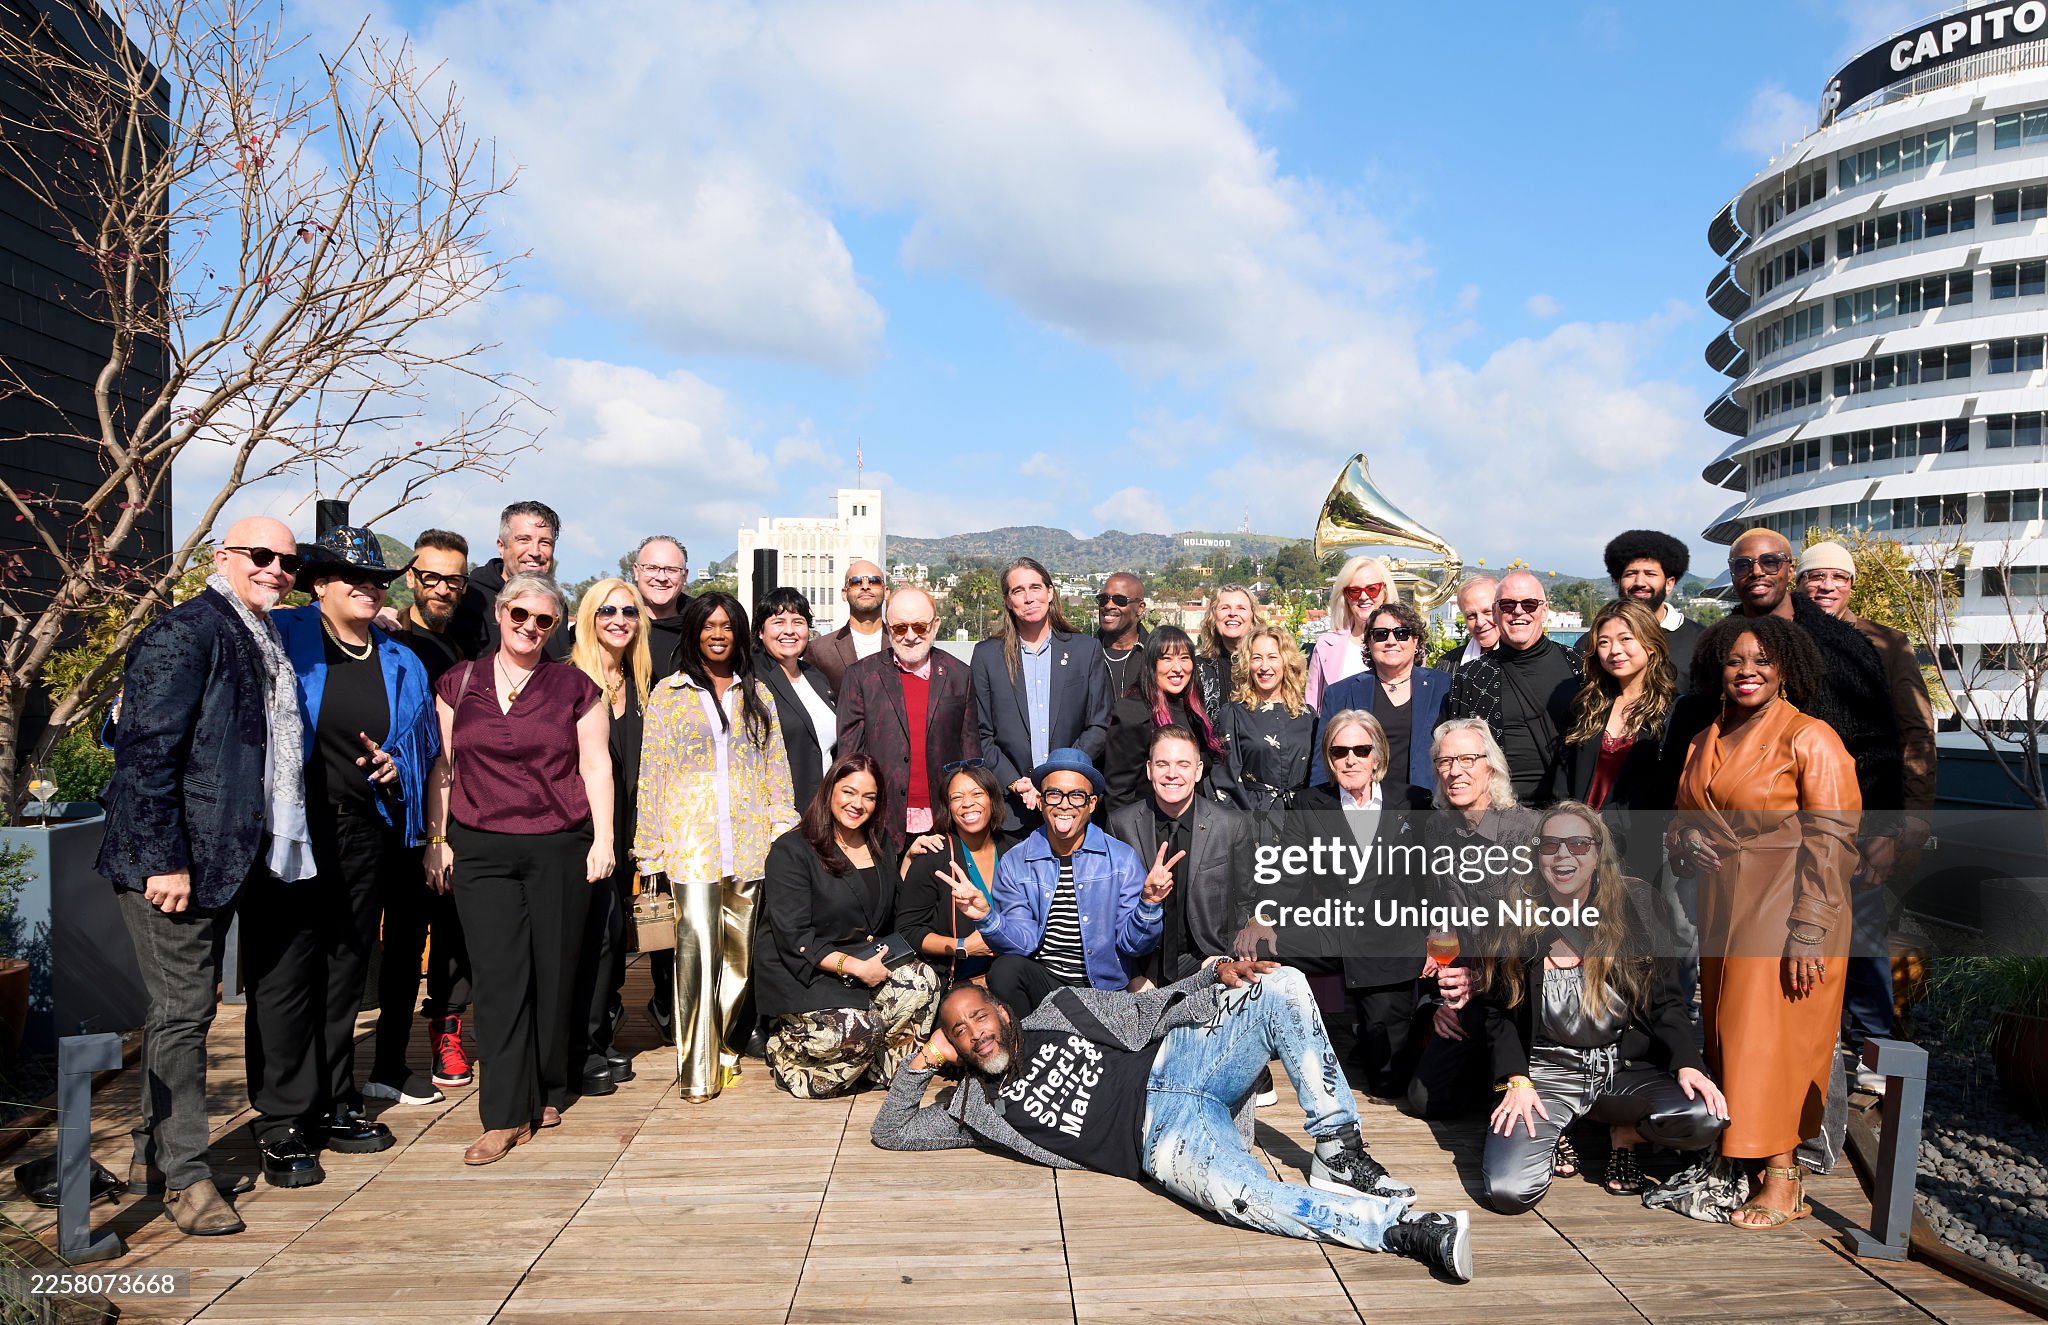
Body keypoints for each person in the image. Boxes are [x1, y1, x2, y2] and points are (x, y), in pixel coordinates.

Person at [870, 962, 1473, 1282]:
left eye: (979, 1016)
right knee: (1245, 1196)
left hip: (1182, 1056)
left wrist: (1212, 977)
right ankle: (1406, 1229)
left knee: (1282, 982)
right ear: (952, 1045)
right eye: (958, 1032)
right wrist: (922, 1063)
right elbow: (891, 1130)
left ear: (1001, 1011)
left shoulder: (1057, 1010)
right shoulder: (973, 1110)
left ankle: (1337, 1148)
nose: (975, 1033)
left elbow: (1142, 1009)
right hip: (1166, 1141)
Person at [98, 515, 306, 1236]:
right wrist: (165, 859)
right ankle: (186, 1179)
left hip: (225, 856)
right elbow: (145, 751)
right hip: (172, 860)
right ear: (222, 557)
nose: (276, 568)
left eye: (286, 559)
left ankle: (159, 1151)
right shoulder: (189, 629)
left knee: (183, 1011)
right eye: (261, 555)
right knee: (184, 1012)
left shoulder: (256, 631)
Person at [248, 527, 435, 1184]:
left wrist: (396, 764)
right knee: (285, 973)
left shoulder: (402, 660)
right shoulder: (281, 635)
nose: (369, 588)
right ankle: (281, 1117)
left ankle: (332, 1097)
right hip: (290, 828)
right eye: (352, 577)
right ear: (319, 583)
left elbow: (424, 747)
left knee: (343, 971)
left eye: (379, 579)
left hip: (362, 832)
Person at [1671, 613, 1860, 1230]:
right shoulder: (1704, 738)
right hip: (1723, 903)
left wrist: (1810, 927)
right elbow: (1680, 821)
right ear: (1716, 669)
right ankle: (1741, 1156)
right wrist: (1686, 843)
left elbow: (1834, 840)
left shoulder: (1812, 738)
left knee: (1772, 1040)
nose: (1748, 671)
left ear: (1786, 669)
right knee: (1728, 1033)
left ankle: (1783, 1177)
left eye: (1762, 660)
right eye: (1735, 660)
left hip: (1790, 904)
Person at [423, 573, 613, 1165]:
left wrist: (603, 840)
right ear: (501, 613)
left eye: (544, 620)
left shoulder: (574, 686)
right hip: (482, 847)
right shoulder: (460, 682)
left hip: (559, 843)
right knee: (501, 978)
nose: (530, 627)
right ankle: (504, 1115)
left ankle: (549, 1087)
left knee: (554, 972)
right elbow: (442, 767)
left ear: (556, 627)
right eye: (520, 616)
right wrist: (439, 837)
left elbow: (596, 766)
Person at [1475, 804, 1728, 1213]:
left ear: (1598, 855)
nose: (1563, 857)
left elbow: (1665, 1000)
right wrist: (1514, 1079)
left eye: (1578, 844)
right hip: (1547, 1073)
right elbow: (1498, 1011)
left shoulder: (1638, 905)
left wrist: (1688, 1062)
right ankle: (1556, 1128)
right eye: (1550, 845)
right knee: (1509, 1191)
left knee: (1705, 1117)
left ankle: (1624, 1134)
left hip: (1619, 1068)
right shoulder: (1512, 914)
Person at [1729, 529, 1905, 1116]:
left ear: (1787, 570)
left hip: (1840, 829)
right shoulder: (1726, 642)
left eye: (1771, 561)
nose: (1758, 571)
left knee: (1859, 943)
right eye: (1745, 563)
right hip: (1758, 848)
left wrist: (1888, 828)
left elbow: (1886, 739)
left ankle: (1874, 1057)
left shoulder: (1845, 644)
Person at [636, 591, 797, 1101]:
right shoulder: (669, 693)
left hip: (749, 846)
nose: (718, 634)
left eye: (727, 625)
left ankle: (724, 1049)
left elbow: (777, 769)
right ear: (694, 633)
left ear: (740, 633)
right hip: (692, 847)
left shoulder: (757, 693)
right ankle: (697, 1073)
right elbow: (652, 775)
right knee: (695, 957)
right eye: (709, 625)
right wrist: (651, 849)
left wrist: (781, 830)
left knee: (739, 961)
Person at [1797, 539, 1937, 1087]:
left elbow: (1915, 734)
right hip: (1793, 818)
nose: (1826, 585)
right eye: (1815, 576)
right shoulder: (1783, 640)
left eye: (1838, 577)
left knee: (1864, 932)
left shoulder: (1885, 644)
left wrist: (1907, 821)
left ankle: (1874, 1045)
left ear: (1852, 585)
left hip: (1864, 813)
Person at [1255, 711, 1427, 1099]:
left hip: (1389, 943)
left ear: (1377, 756)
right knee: (1254, 948)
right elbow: (1288, 872)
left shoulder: (1414, 801)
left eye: (1361, 750)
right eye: (1339, 751)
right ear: (1329, 759)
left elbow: (1428, 878)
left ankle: (1379, 1026)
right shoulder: (1310, 803)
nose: (1351, 759)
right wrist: (1262, 917)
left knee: (1387, 1083)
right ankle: (1256, 1057)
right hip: (1331, 930)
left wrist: (1435, 932)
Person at [757, 753, 943, 1098]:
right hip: (809, 970)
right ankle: (788, 1054)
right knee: (857, 1028)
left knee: (923, 983)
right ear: (829, 790)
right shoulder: (791, 850)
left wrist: (908, 864)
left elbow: (881, 910)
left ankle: (877, 1067)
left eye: (869, 797)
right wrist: (855, 967)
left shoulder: (879, 842)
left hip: (860, 960)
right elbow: (794, 936)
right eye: (849, 792)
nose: (858, 804)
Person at [380, 530, 478, 1093]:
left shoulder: (465, 644)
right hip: (398, 816)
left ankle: (447, 1034)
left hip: (456, 808)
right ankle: (388, 1061)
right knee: (401, 940)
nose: (442, 588)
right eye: (432, 577)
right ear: (412, 577)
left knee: (453, 933)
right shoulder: (387, 636)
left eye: (453, 579)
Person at [1403, 719, 1540, 1120]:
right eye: (1445, 761)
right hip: (1473, 988)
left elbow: (1537, 940)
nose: (1454, 771)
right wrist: (1443, 995)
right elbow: (1441, 918)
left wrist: (1480, 980)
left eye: (1466, 759)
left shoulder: (1529, 832)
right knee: (1427, 1100)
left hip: (1523, 996)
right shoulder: (1439, 831)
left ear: (1491, 768)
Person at [958, 747, 1162, 1012]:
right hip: (1047, 984)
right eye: (1054, 794)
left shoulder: (1121, 859)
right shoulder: (1016, 862)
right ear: (1041, 801)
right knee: (1004, 971)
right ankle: (1028, 1043)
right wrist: (987, 918)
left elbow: (1133, 945)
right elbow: (1023, 942)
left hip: (1103, 989)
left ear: (1091, 803)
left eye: (1076, 796)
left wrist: (1149, 905)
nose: (1064, 804)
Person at [566, 578, 654, 1097]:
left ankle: (595, 1038)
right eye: (607, 611)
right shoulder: (565, 680)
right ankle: (577, 1048)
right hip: (577, 833)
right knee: (586, 942)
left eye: (628, 611)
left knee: (611, 942)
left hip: (625, 838)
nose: (618, 619)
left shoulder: (644, 687)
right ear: (588, 618)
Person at [836, 585, 977, 855]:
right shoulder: (862, 676)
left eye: (919, 627)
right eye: (900, 628)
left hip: (943, 822)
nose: (910, 636)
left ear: (935, 625)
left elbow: (969, 752)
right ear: (888, 628)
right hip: (880, 824)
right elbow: (850, 755)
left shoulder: (960, 675)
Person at [1108, 726, 1256, 984]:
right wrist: (1133, 975)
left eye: (1183, 764)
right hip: (1143, 969)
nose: (1172, 774)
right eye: (1162, 764)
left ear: (1198, 771)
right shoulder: (1121, 825)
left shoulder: (1230, 825)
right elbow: (1109, 913)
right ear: (1148, 769)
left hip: (1206, 960)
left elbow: (1248, 903)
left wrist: (1224, 959)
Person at [971, 557, 1111, 827]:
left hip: (1072, 804)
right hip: (1012, 810)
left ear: (1050, 593)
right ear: (1008, 601)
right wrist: (1016, 784)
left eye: (1035, 588)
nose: (1028, 598)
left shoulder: (1085, 650)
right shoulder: (987, 656)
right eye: (1018, 591)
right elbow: (981, 733)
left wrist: (1059, 776)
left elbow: (1098, 724)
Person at [1565, 601, 1688, 876]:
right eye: (1604, 642)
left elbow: (1667, 790)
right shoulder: (1590, 704)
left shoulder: (1674, 711)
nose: (1614, 651)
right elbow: (1568, 773)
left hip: (1638, 852)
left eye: (1625, 639)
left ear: (1651, 643)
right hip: (1579, 847)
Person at [1441, 569, 1581, 806]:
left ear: (1544, 610)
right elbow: (1452, 753)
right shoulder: (1471, 677)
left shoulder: (1579, 666)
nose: (1518, 611)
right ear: (1496, 612)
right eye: (1507, 605)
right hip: (1500, 816)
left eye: (1529, 604)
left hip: (1569, 814)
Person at [1317, 600, 1448, 808]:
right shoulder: (1340, 693)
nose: (1391, 641)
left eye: (1402, 633)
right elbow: (1322, 760)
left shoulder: (1444, 687)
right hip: (1363, 805)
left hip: (1428, 806)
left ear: (1416, 641)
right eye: (1381, 634)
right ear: (1369, 643)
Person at [896, 762, 1017, 982]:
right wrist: (962, 947)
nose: (967, 803)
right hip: (954, 982)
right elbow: (907, 932)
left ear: (992, 799)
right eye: (956, 797)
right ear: (948, 808)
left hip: (1009, 976)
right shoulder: (934, 855)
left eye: (977, 794)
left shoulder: (1015, 851)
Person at [1102, 625, 1221, 811]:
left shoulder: (1194, 711)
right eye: (1166, 659)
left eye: (1184, 658)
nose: (1177, 668)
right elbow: (1119, 794)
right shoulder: (1132, 713)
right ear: (1151, 664)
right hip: (1147, 828)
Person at [1215, 625, 1317, 838]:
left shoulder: (1308, 716)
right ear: (1247, 664)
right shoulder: (1232, 714)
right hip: (1252, 823)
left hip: (1301, 823)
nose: (1264, 666)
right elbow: (1225, 780)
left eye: (1272, 657)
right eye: (1256, 658)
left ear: (1286, 662)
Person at [454, 500, 570, 660]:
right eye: (524, 540)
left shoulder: (557, 606)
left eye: (545, 543)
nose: (535, 552)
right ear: (501, 546)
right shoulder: (469, 598)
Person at [756, 587, 837, 814]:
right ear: (761, 631)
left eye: (798, 622)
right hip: (780, 813)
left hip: (823, 811)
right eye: (779, 622)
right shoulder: (752, 679)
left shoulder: (815, 676)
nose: (789, 631)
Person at [1600, 530, 1703, 681]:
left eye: (1650, 574)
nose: (1639, 582)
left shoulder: (1700, 642)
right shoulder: (1595, 642)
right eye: (1631, 574)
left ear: (1669, 584)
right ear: (1618, 582)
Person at [1306, 555, 1400, 706]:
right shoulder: (1326, 646)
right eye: (1354, 591)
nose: (1363, 597)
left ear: (1385, 592)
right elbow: (1312, 707)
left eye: (1372, 589)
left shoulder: (1406, 642)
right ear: (1346, 597)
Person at [804, 559, 887, 693]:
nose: (865, 587)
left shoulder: (902, 643)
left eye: (873, 581)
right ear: (844, 593)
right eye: (856, 582)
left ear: (886, 591)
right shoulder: (820, 651)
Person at [631, 535, 692, 677]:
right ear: (636, 571)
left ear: (685, 576)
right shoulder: (614, 625)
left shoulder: (702, 625)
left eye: (671, 570)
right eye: (652, 568)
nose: (661, 578)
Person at [1194, 583, 1257, 718]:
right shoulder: (1197, 668)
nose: (1233, 613)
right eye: (1224, 608)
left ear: (1253, 618)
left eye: (1241, 608)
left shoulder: (1266, 667)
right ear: (1213, 617)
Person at [1096, 571, 1151, 700]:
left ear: (1140, 608)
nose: (1108, 606)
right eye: (1103, 599)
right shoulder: (1085, 654)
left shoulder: (1155, 656)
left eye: (1119, 600)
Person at [1442, 576, 1499, 679]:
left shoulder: (1522, 661)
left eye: (1488, 612)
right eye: (1471, 616)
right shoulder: (1446, 665)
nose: (1480, 623)